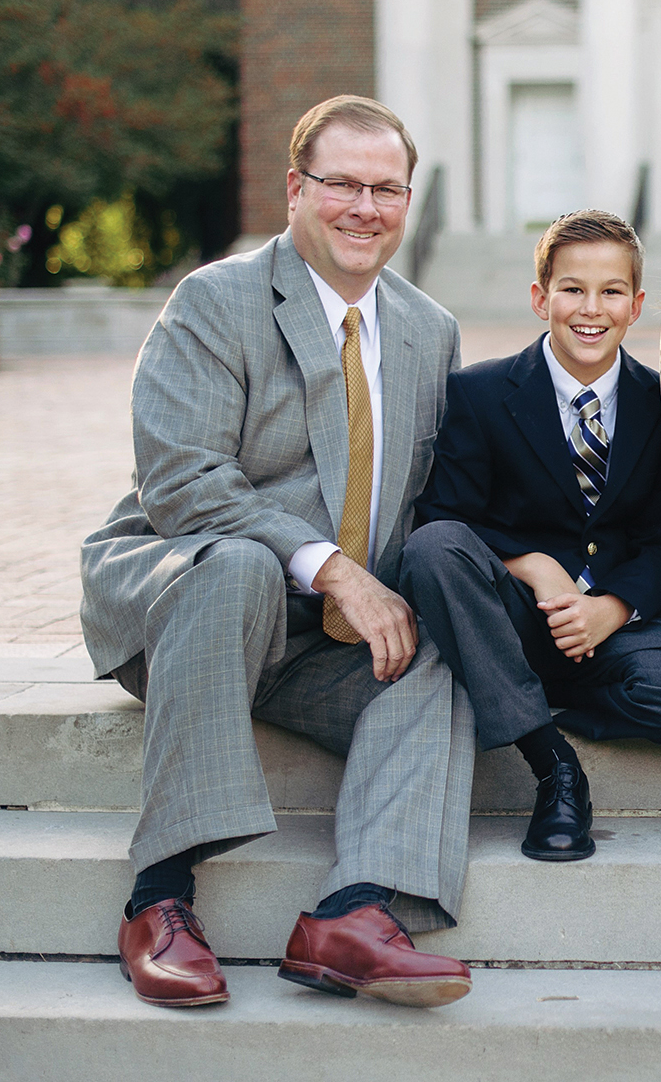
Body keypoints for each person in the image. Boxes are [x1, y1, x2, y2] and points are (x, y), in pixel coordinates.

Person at [81, 95, 474, 1009]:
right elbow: (180, 480)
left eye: (387, 189)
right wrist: (333, 567)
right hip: (191, 600)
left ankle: (353, 911)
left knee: (443, 642)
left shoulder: (429, 331)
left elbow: (440, 497)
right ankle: (160, 897)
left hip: (316, 647)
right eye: (342, 183)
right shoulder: (216, 300)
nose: (365, 208)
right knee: (246, 563)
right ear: (297, 187)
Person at [400, 210, 661, 864]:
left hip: (611, 619)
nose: (590, 308)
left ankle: (516, 695)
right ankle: (553, 763)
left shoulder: (660, 405)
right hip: (515, 613)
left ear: (635, 307)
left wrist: (612, 609)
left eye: (611, 292)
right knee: (430, 553)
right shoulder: (480, 393)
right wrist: (531, 564)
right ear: (540, 297)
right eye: (572, 288)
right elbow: (442, 516)